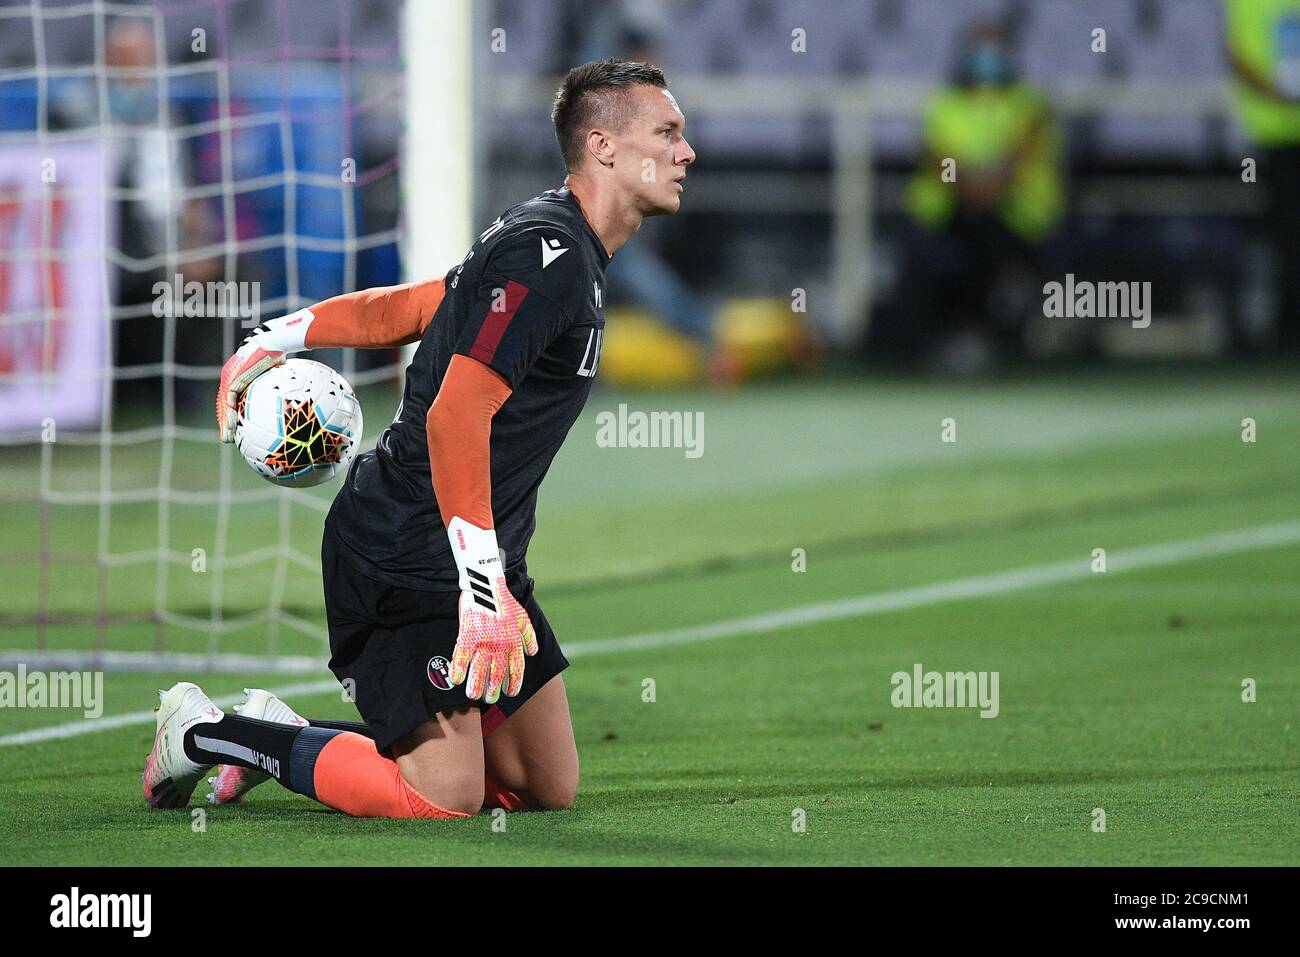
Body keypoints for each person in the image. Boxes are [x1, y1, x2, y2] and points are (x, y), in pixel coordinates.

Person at [141, 59, 695, 818]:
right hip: (400, 551)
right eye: (666, 133)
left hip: (473, 551)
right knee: (447, 795)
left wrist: (281, 333)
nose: (685, 152)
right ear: (601, 145)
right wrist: (481, 588)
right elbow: (452, 416)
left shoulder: (555, 244)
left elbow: (416, 306)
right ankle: (211, 731)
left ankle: (287, 730)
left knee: (544, 784)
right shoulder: (550, 257)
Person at [873, 24, 1064, 369]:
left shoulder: (1030, 103)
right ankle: (927, 345)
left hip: (1016, 219)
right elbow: (939, 159)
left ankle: (994, 341)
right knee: (927, 256)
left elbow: (1019, 158)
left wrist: (985, 186)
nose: (986, 61)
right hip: (951, 213)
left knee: (988, 250)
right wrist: (972, 186)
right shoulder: (944, 103)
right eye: (979, 51)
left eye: (994, 51)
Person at [1225, 0, 1300, 354]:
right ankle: (1286, 328)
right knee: (1286, 236)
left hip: (1279, 132)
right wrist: (1273, 92)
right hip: (1273, 136)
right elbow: (1236, 56)